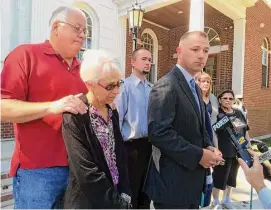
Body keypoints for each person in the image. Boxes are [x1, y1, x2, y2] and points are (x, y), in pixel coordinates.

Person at [1, 6, 88, 209]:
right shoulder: (25, 55)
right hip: (38, 172)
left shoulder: (84, 70)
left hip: (78, 168)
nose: (82, 35)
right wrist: (53, 107)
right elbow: (3, 107)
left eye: (85, 31)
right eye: (77, 28)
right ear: (56, 27)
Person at [144, 31, 224, 209]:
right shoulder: (167, 85)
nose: (201, 55)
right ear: (179, 51)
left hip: (193, 182)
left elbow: (198, 127)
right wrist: (199, 155)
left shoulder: (194, 87)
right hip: (173, 185)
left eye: (205, 50)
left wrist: (209, 146)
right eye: (195, 49)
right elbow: (158, 133)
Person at [62, 49, 131, 209]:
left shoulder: (112, 110)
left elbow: (119, 155)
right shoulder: (75, 114)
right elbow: (85, 171)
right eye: (110, 86)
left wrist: (125, 193)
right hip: (88, 203)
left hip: (116, 198)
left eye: (119, 83)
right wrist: (117, 205)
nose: (117, 91)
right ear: (89, 84)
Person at [115, 48, 152, 209]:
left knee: (147, 193)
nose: (148, 63)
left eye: (150, 60)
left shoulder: (152, 89)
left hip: (150, 147)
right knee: (131, 194)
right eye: (144, 59)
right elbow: (117, 120)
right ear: (132, 62)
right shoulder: (124, 87)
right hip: (131, 148)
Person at [212, 90, 251, 209]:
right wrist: (215, 149)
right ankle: (216, 201)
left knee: (232, 176)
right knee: (219, 177)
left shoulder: (238, 113)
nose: (228, 100)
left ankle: (227, 199)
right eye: (225, 98)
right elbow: (212, 133)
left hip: (238, 150)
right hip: (223, 150)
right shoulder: (217, 114)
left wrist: (248, 145)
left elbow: (245, 131)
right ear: (220, 100)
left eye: (230, 98)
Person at [196, 72, 219, 207]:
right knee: (200, 171)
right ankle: (197, 201)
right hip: (199, 140)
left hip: (213, 139)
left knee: (210, 173)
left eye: (208, 82)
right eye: (202, 81)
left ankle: (206, 203)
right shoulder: (193, 97)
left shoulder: (213, 99)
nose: (205, 84)